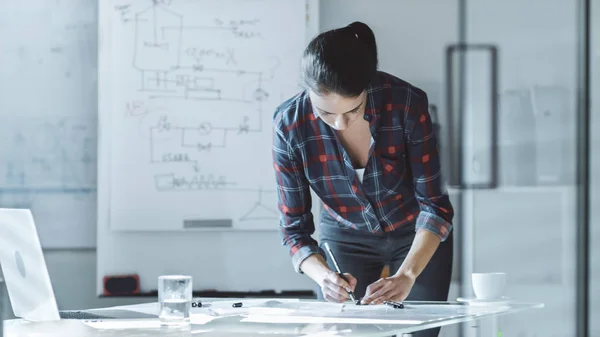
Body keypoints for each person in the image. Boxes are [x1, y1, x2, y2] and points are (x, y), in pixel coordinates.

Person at [271, 21, 454, 337]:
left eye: (353, 110)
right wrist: (323, 276)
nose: (340, 124)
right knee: (346, 331)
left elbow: (435, 206)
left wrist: (407, 275)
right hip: (345, 236)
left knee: (420, 332)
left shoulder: (406, 103)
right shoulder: (289, 126)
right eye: (326, 114)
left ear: (367, 87)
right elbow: (294, 231)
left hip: (416, 235)